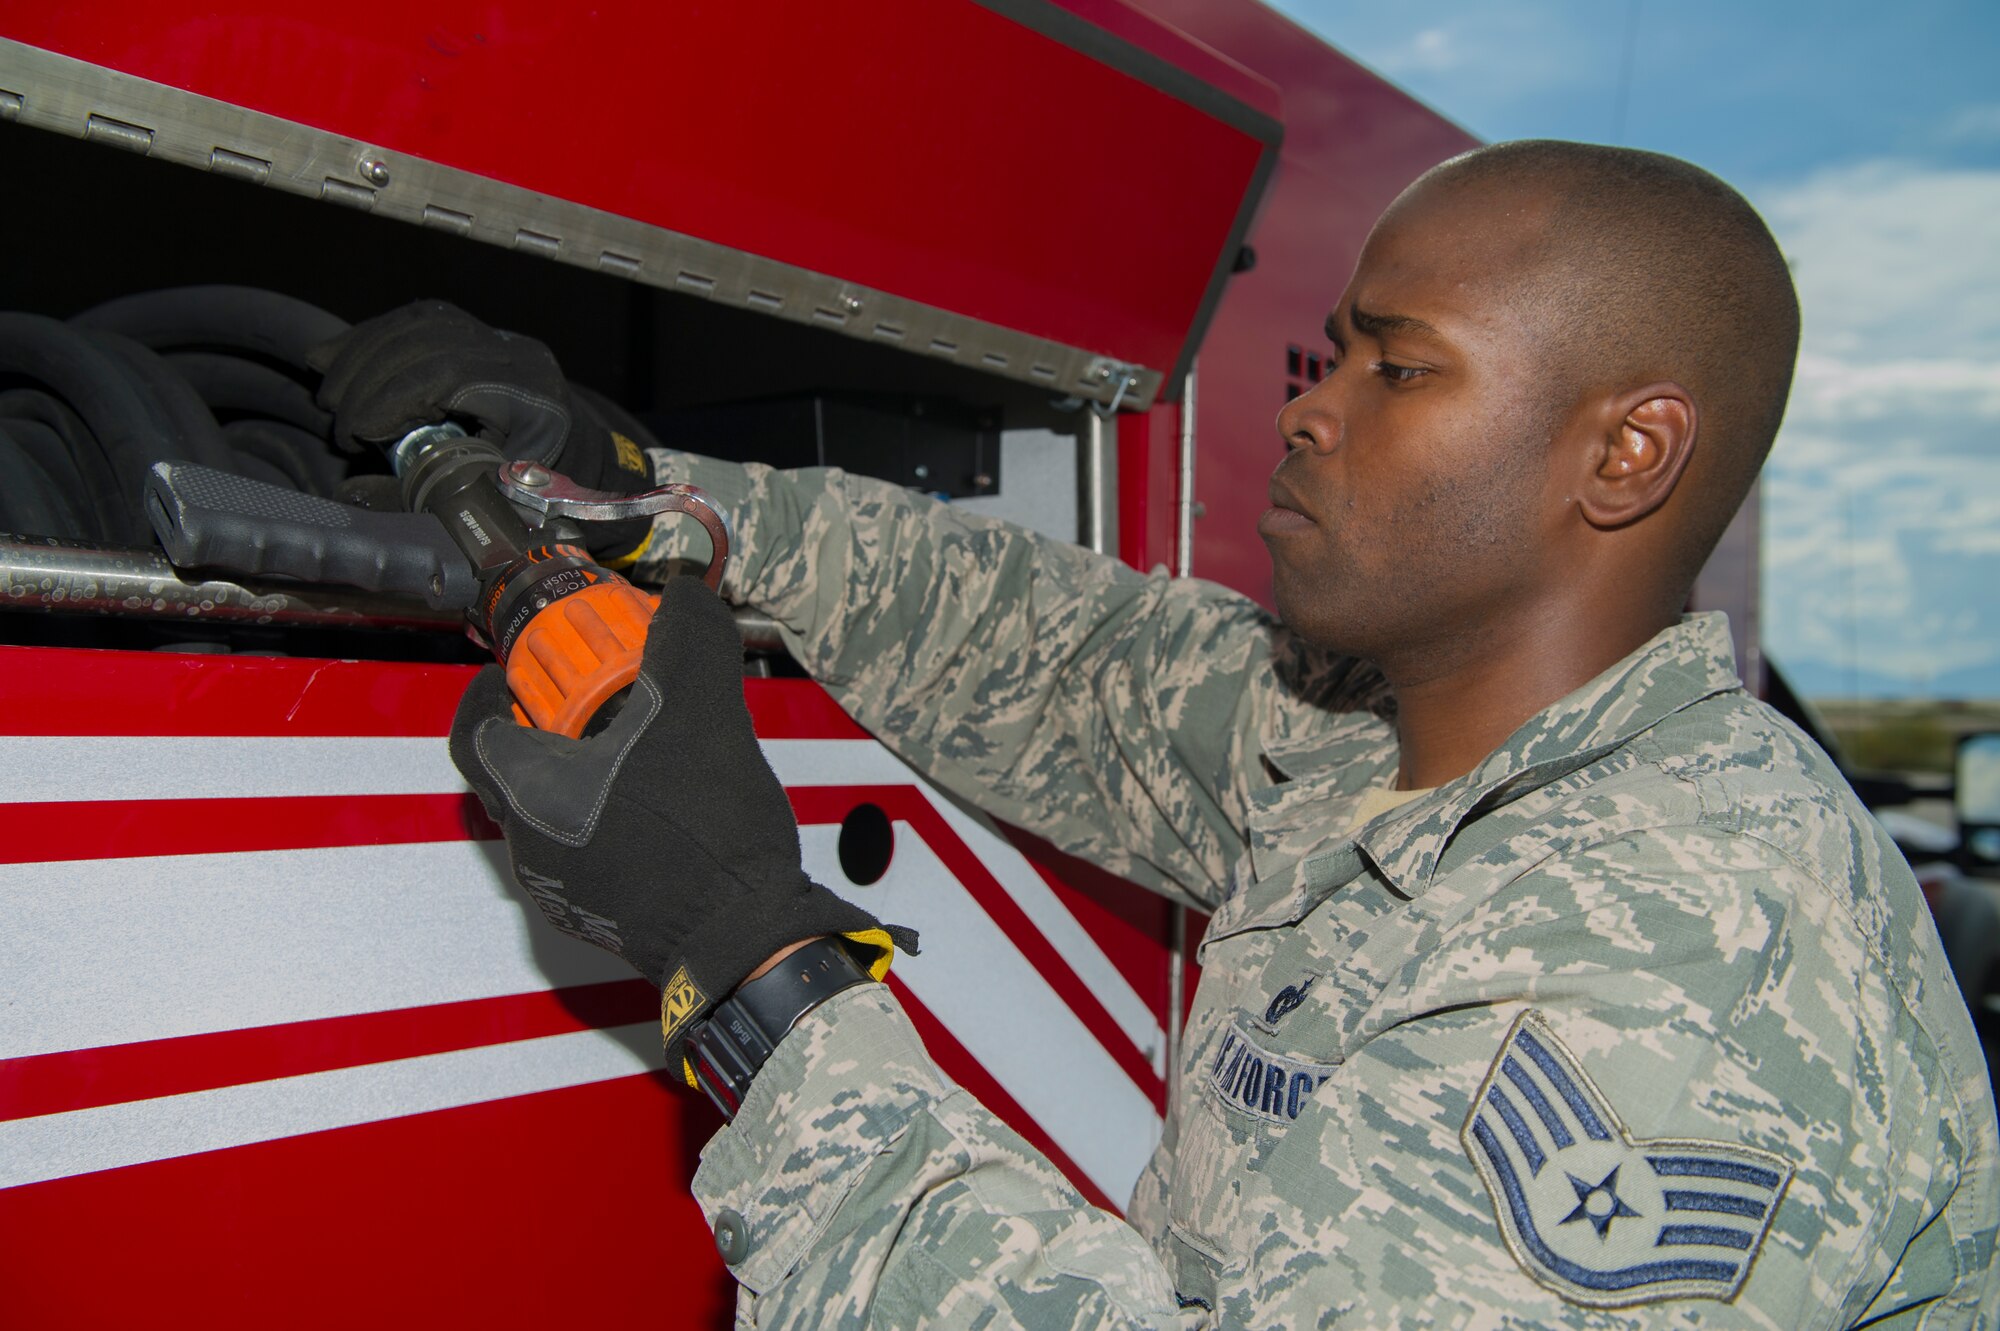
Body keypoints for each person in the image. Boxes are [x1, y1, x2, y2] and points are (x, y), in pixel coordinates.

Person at [320, 141, 1999, 1326]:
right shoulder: (1375, 736)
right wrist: (648, 496)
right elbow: (1061, 653)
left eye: (1398, 371)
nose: (1310, 405)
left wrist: (748, 960)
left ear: (1625, 456)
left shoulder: (1692, 947)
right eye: (1330, 350)